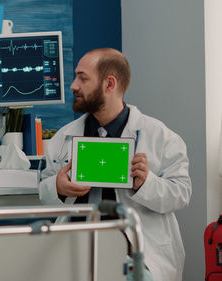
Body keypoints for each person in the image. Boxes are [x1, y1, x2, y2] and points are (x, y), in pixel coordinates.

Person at [39, 48, 192, 281]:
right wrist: (58, 187)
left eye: (83, 77)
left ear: (109, 84)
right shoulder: (64, 137)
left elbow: (181, 194)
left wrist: (146, 183)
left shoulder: (160, 137)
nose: (73, 85)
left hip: (138, 256)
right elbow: (43, 189)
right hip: (77, 251)